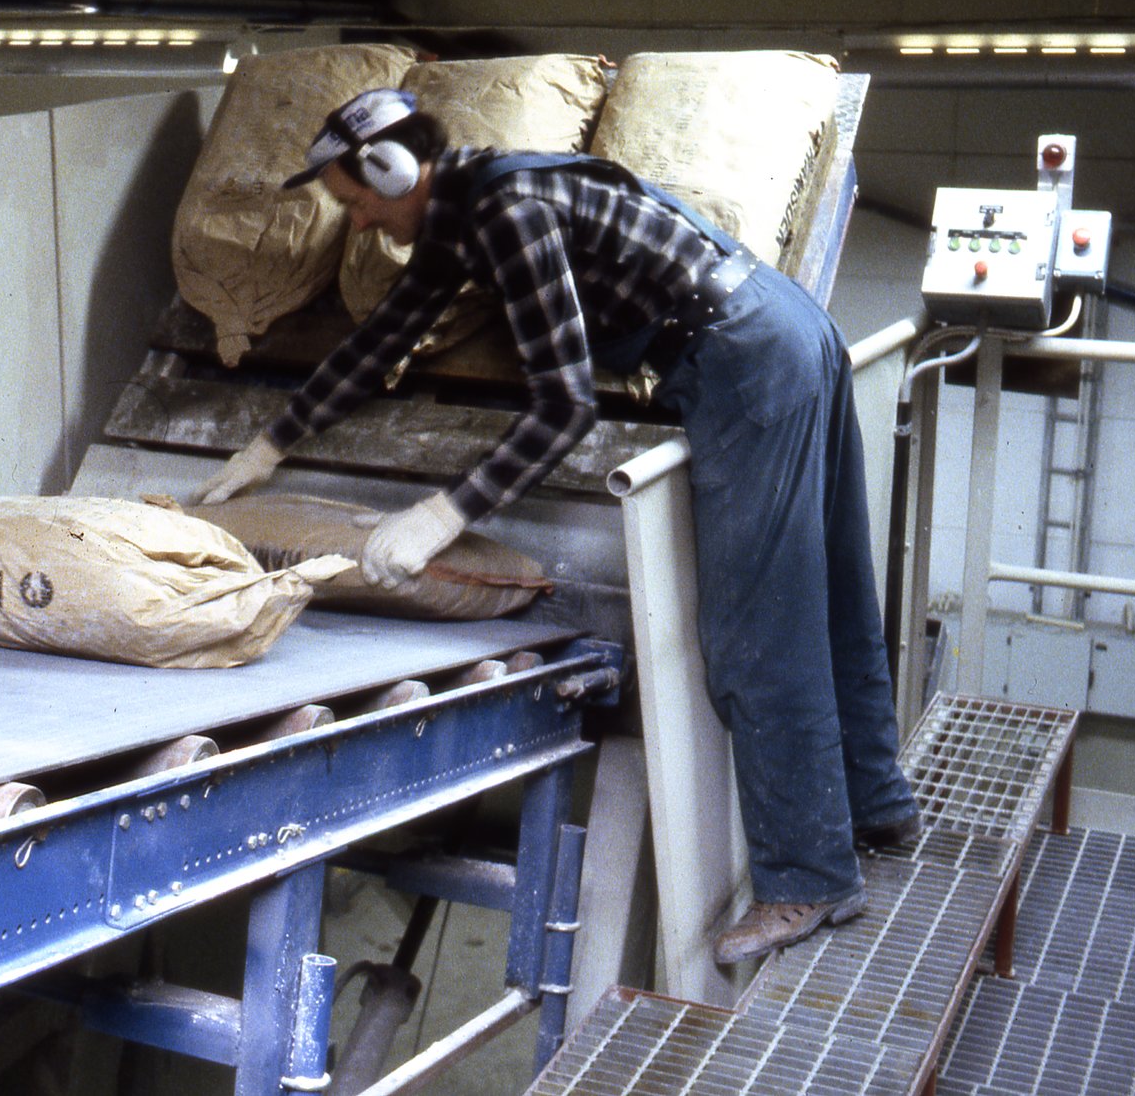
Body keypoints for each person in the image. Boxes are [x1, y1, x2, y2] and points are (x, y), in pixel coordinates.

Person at [196, 87, 921, 964]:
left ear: (391, 169)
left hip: (741, 362)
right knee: (838, 585)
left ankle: (808, 879)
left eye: (355, 204)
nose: (354, 226)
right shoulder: (465, 206)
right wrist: (271, 444)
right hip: (786, 325)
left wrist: (441, 513)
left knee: (755, 635)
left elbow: (565, 405)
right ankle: (878, 804)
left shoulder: (507, 213)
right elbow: (383, 339)